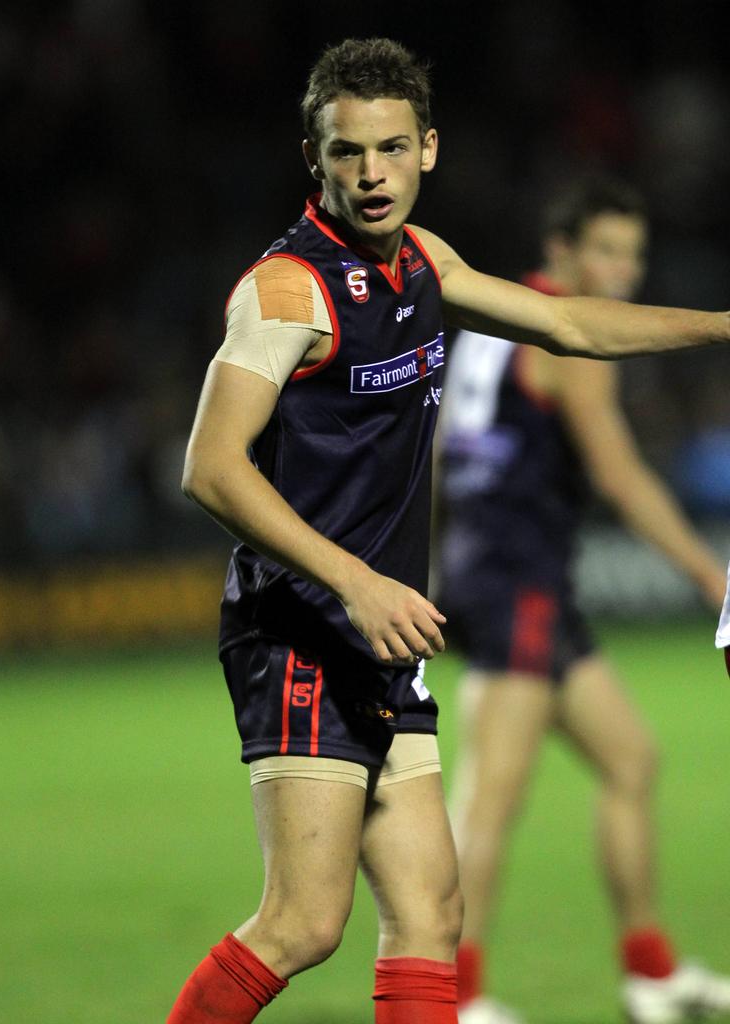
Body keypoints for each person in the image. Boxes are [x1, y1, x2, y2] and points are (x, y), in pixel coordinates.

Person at [167, 38, 730, 1024]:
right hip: (300, 629)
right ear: (315, 157)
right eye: (348, 152)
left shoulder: (425, 264)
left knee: (431, 915)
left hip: (386, 636)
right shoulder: (286, 290)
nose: (372, 173)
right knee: (304, 923)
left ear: (429, 148)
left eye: (391, 148)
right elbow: (208, 466)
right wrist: (357, 581)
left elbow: (577, 327)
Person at [436, 177, 730, 1024]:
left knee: (630, 760)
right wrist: (709, 574)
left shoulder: (495, 321)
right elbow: (619, 476)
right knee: (492, 792)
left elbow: (446, 454)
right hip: (519, 578)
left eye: (634, 257)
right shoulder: (569, 335)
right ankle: (454, 998)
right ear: (562, 253)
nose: (624, 273)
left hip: (495, 568)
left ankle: (650, 971)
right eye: (607, 251)